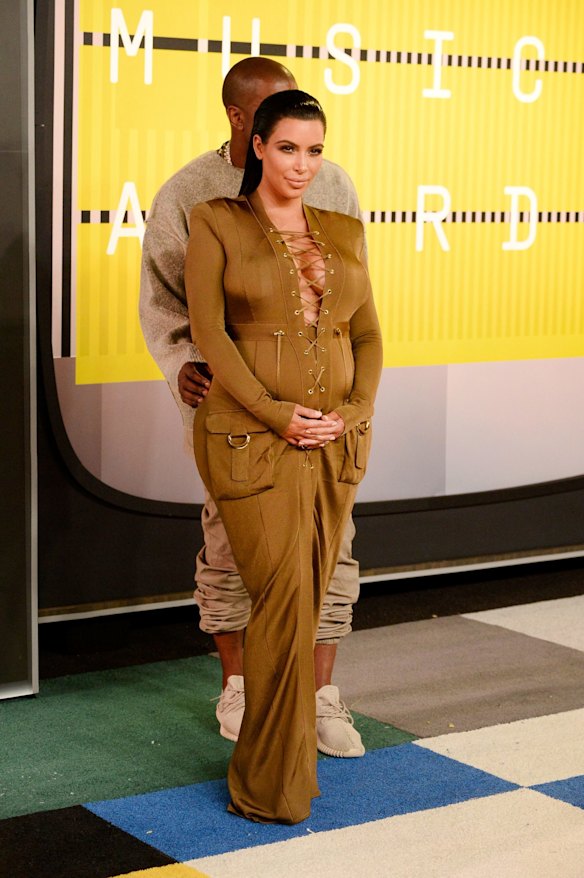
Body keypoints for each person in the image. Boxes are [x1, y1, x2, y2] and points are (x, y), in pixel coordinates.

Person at [140, 57, 365, 758]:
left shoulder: (333, 188)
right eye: (278, 123)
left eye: (310, 136)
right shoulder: (192, 195)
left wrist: (352, 398)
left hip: (320, 407)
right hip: (231, 410)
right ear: (243, 122)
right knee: (231, 543)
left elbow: (355, 306)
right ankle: (239, 686)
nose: (299, 147)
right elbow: (169, 303)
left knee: (333, 544)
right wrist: (183, 365)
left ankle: (323, 696)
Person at [184, 89, 382, 823]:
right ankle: (268, 783)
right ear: (258, 146)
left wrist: (354, 411)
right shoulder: (215, 220)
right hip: (247, 442)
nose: (303, 164)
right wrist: (277, 415)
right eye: (289, 147)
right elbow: (209, 333)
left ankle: (287, 760)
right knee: (281, 599)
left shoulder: (343, 228)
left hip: (335, 444)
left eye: (316, 150)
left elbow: (366, 335)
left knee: (313, 591)